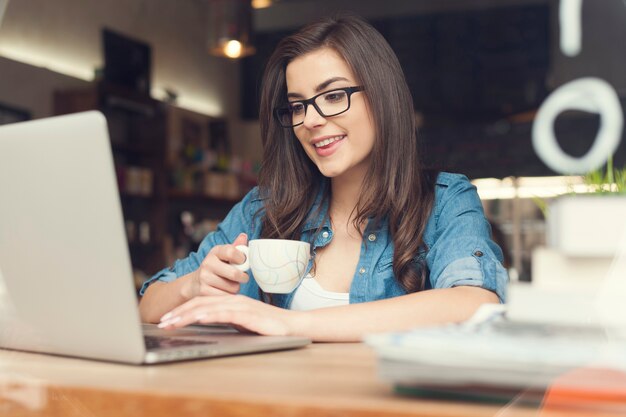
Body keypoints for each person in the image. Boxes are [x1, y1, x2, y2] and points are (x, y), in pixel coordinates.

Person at [139, 14, 508, 342]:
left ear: (382, 96)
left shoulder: (443, 201)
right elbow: (147, 304)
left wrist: (288, 324)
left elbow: (475, 302)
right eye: (298, 105)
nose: (311, 120)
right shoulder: (263, 209)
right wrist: (193, 285)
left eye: (332, 96)